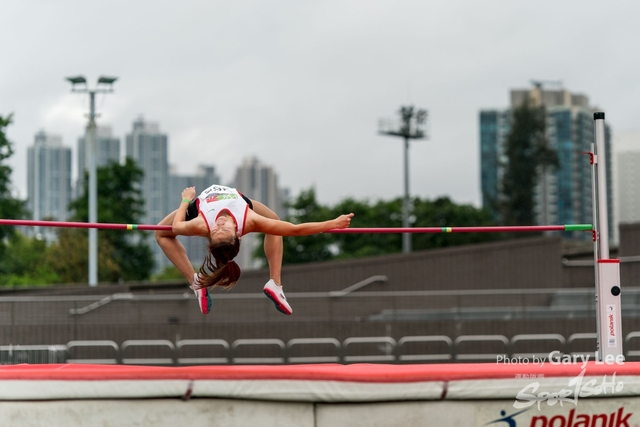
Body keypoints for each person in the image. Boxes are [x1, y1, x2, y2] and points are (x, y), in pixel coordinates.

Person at [155, 184, 354, 316]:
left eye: (217, 230)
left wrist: (186, 200)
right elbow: (295, 229)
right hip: (242, 202)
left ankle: (197, 282)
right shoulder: (250, 220)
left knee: (160, 233)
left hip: (202, 204)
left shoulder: (202, 224)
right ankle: (274, 283)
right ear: (238, 233)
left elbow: (177, 226)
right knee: (274, 223)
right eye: (223, 229)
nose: (220, 224)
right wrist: (333, 223)